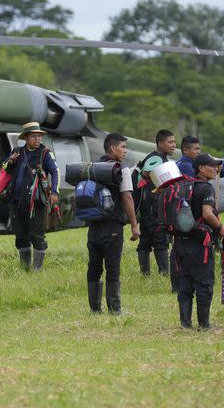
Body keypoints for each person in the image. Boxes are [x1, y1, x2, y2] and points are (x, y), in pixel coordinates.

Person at [172, 153, 224, 330]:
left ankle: (185, 324)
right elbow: (207, 214)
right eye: (211, 166)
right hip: (200, 245)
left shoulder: (185, 186)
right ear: (201, 168)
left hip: (181, 243)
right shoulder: (206, 188)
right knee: (204, 283)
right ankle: (204, 325)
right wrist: (220, 228)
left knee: (185, 283)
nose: (215, 169)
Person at [87, 133, 141, 314]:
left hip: (94, 225)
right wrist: (134, 224)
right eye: (123, 147)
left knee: (94, 267)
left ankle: (95, 309)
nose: (125, 151)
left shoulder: (93, 167)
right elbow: (127, 197)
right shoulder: (121, 170)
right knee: (112, 267)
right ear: (113, 148)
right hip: (112, 226)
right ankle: (115, 309)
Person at [2, 122, 59, 271]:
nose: (38, 139)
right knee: (20, 237)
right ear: (26, 137)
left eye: (39, 136)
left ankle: (37, 270)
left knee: (37, 237)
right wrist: (10, 161)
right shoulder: (17, 151)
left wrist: (54, 193)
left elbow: (55, 172)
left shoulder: (45, 153)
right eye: (34, 136)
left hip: (36, 203)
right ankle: (25, 269)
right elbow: (4, 169)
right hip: (16, 202)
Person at [133, 155, 168, 275]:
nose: (173, 145)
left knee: (145, 242)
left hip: (145, 212)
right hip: (153, 212)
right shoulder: (151, 162)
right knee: (159, 242)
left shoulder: (142, 172)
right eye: (170, 142)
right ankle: (163, 273)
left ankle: (146, 274)